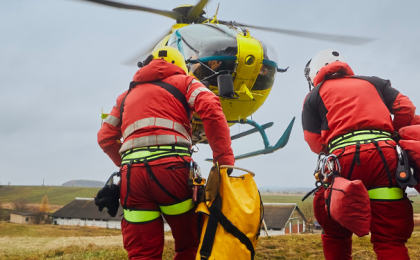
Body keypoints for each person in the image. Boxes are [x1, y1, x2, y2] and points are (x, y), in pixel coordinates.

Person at [97, 46, 234, 260]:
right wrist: (223, 162)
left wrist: (124, 166)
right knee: (189, 246)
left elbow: (105, 137)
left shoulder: (124, 97)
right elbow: (212, 109)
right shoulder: (186, 82)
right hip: (173, 173)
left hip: (133, 178)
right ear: (180, 66)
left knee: (143, 253)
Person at [302, 49, 416, 260]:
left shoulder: (313, 96)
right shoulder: (374, 82)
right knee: (389, 239)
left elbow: (314, 142)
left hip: (341, 161)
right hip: (385, 157)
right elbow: (405, 107)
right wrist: (392, 136)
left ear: (315, 73)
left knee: (335, 233)